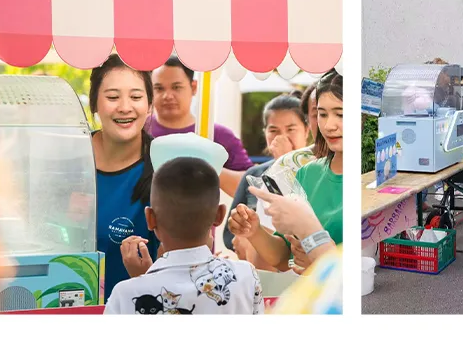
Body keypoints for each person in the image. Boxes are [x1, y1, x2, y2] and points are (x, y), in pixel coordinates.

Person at [105, 157, 262, 314]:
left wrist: (142, 281)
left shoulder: (124, 294)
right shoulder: (245, 276)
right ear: (219, 215)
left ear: (150, 218)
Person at [228, 71, 343, 272]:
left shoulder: (367, 176)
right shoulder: (307, 173)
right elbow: (283, 255)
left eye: (340, 114)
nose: (328, 125)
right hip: (310, 297)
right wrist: (254, 231)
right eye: (322, 114)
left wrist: (318, 260)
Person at [89, 55, 158, 299]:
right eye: (112, 97)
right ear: (94, 103)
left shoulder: (164, 168)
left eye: (136, 97)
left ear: (149, 104)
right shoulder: (71, 159)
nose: (125, 107)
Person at [146, 57, 253, 194]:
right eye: (159, 88)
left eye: (176, 87)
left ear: (194, 87)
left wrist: (208, 167)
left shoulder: (220, 135)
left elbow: (250, 187)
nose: (168, 96)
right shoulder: (137, 131)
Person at [223, 94, 311, 253]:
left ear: (306, 130)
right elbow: (229, 236)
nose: (281, 137)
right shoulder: (254, 174)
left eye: (291, 129)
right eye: (273, 130)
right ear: (265, 133)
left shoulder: (318, 170)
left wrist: (285, 162)